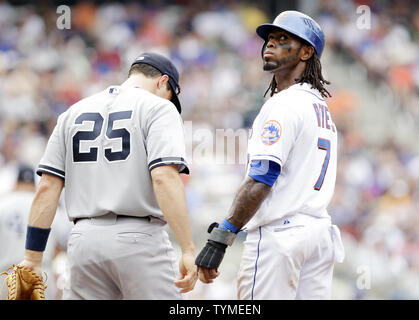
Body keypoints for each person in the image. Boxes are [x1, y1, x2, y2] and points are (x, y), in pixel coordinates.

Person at [17, 52, 197, 299]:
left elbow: (47, 186)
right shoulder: (160, 108)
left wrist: (32, 257)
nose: (169, 100)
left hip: (83, 241)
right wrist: (187, 248)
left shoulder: (73, 112)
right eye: (170, 95)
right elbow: (164, 177)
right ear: (163, 81)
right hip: (138, 238)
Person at [195, 11, 345, 300]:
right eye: (270, 39)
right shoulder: (321, 109)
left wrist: (221, 237)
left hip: (281, 236)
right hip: (318, 236)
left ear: (306, 52)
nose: (270, 44)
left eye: (283, 38)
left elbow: (261, 179)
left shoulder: (284, 104)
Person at [0, 165, 70, 299]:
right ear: (33, 185)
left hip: (6, 275)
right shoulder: (45, 204)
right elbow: (65, 242)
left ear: (16, 183)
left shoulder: (2, 204)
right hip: (40, 274)